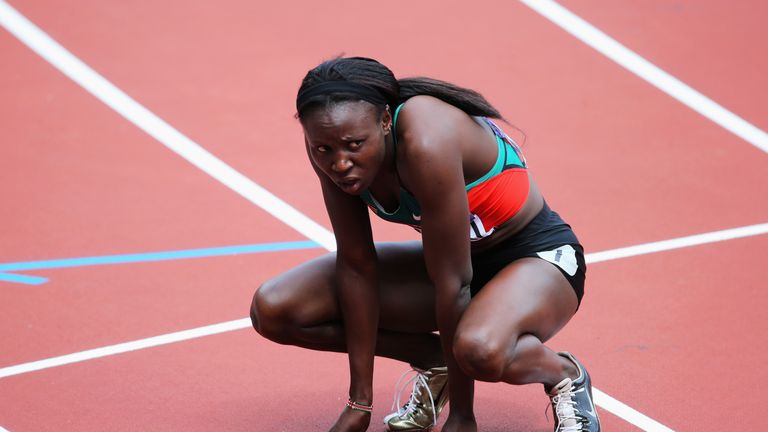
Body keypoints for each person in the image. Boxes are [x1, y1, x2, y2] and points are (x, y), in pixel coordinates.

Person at [250, 56, 600, 432]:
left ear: (385, 121)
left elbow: (453, 285)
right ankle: (437, 363)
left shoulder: (425, 141)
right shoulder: (329, 140)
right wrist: (359, 403)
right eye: (324, 150)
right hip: (453, 260)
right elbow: (356, 264)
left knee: (478, 350)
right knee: (275, 310)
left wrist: (462, 419)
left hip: (536, 258)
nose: (339, 163)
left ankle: (564, 375)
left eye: (354, 145)